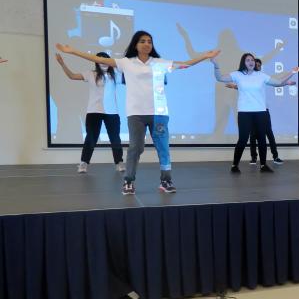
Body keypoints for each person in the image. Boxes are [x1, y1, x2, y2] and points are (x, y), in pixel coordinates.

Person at [56, 31, 219, 195]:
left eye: (149, 41)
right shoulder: (126, 63)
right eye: (142, 41)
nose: (147, 44)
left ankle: (166, 180)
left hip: (159, 114)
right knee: (135, 148)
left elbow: (184, 65)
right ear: (136, 44)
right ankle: (128, 181)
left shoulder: (160, 63)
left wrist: (205, 56)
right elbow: (100, 59)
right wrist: (73, 51)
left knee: (163, 148)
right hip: (136, 114)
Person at [213, 53, 299, 173]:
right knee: (243, 139)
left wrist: (293, 72)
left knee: (262, 139)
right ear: (243, 62)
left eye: (252, 60)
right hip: (244, 112)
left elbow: (278, 82)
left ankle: (263, 165)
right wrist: (216, 65)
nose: (251, 62)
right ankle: (235, 165)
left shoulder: (261, 76)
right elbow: (220, 78)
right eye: (248, 60)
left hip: (260, 112)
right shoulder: (237, 75)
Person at [54, 52, 124, 173]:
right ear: (96, 62)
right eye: (100, 60)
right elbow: (72, 76)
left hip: (112, 112)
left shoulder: (115, 75)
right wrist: (62, 64)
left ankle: (119, 162)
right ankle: (84, 163)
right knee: (91, 138)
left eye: (106, 60)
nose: (103, 62)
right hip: (94, 111)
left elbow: (131, 78)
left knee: (115, 138)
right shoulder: (91, 74)